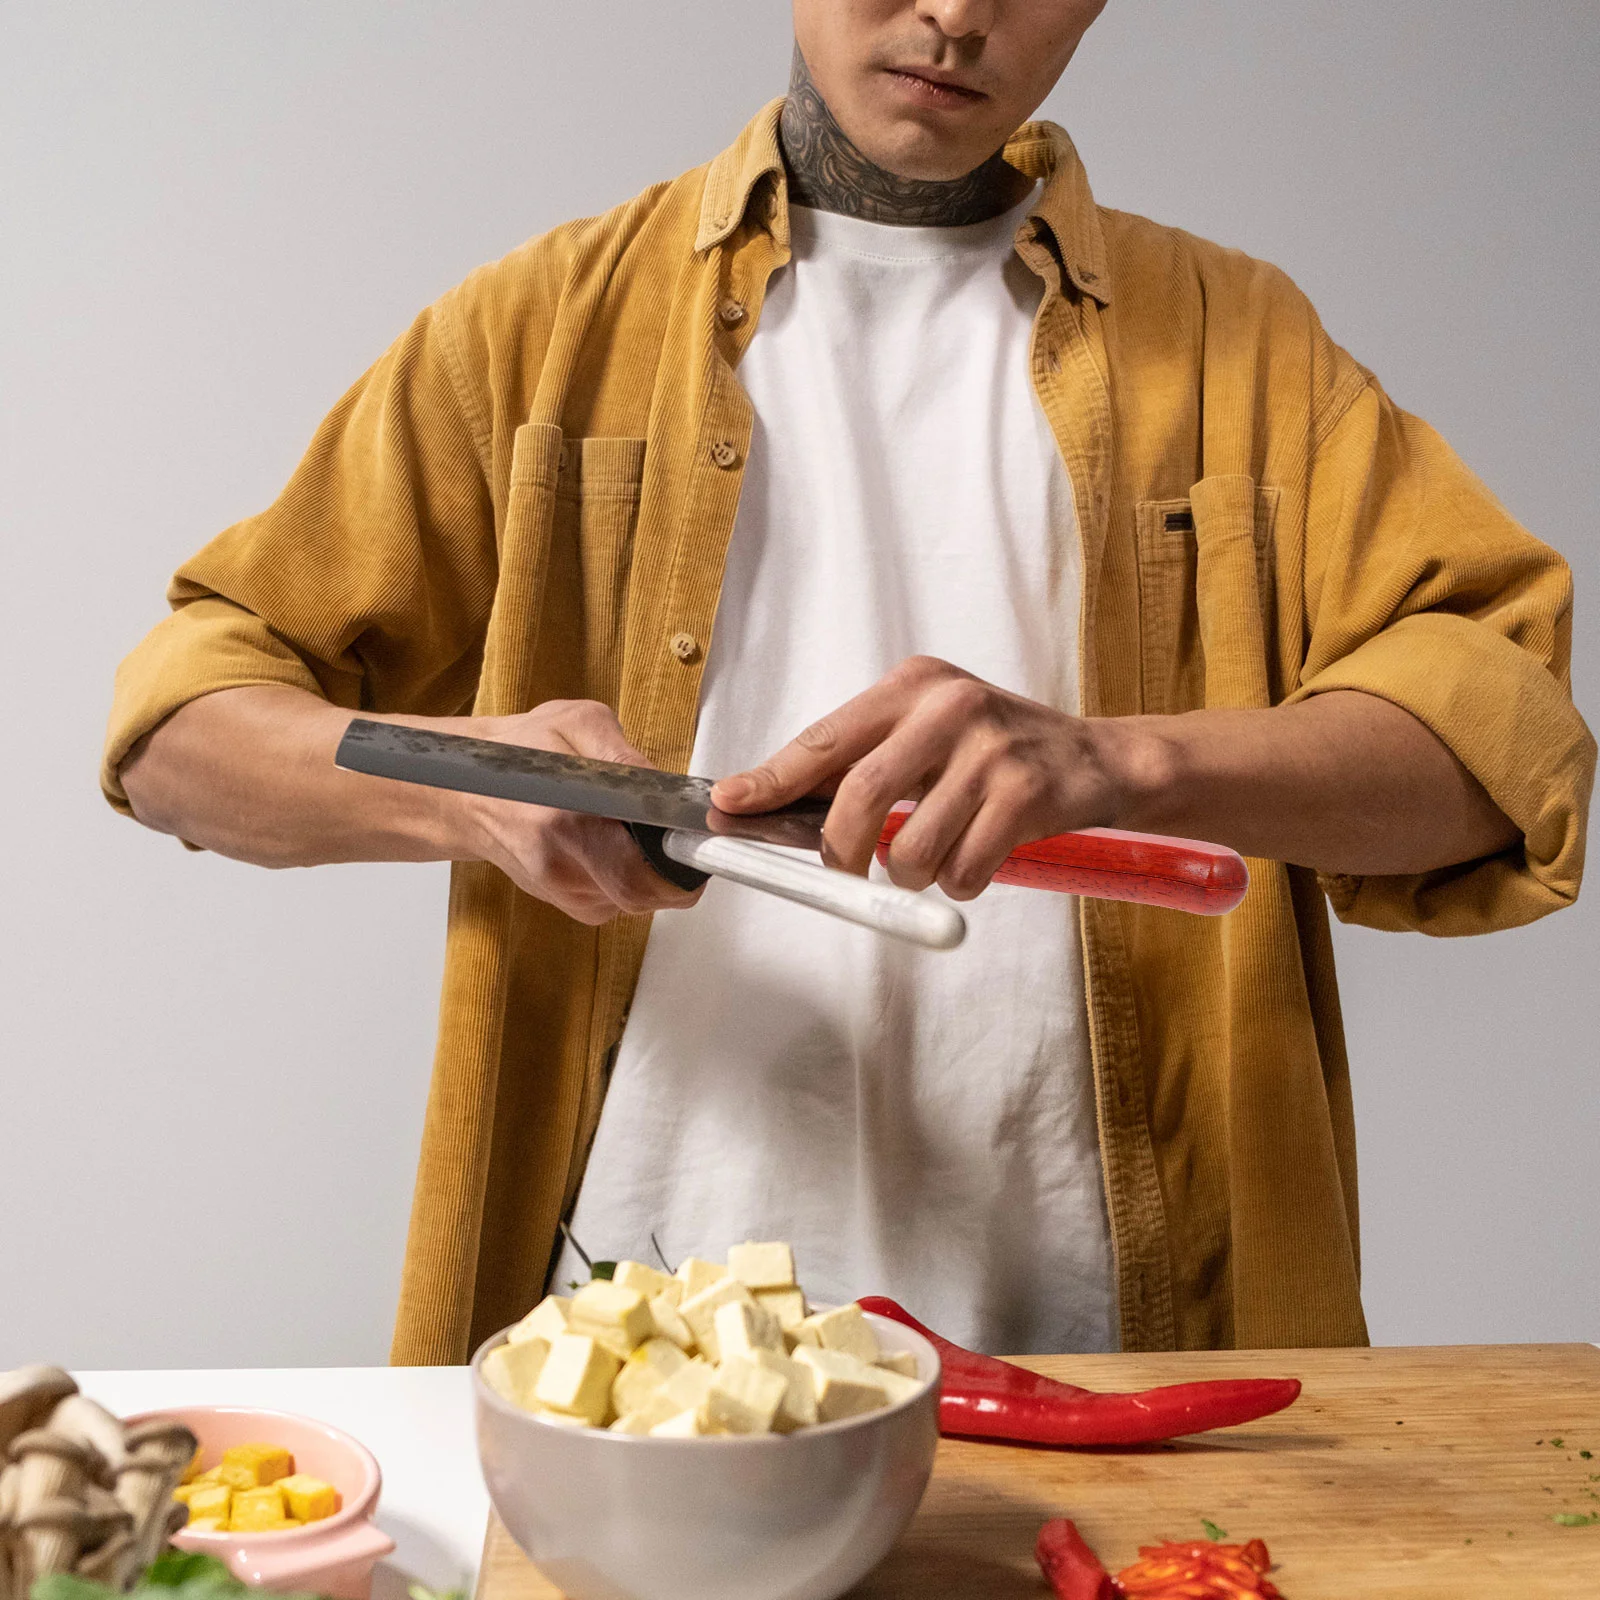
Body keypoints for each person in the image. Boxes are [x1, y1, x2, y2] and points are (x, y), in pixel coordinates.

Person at [105, 1, 1593, 1363]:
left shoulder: (1243, 347)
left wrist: (1118, 761)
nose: (955, 13)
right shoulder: (544, 328)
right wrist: (477, 794)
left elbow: (1500, 753)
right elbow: (181, 729)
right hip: (641, 1341)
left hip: (1131, 1339)